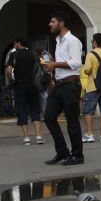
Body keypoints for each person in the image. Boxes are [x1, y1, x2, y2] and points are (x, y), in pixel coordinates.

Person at [43, 11, 84, 165]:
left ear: (61, 23)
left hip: (71, 84)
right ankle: (62, 152)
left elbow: (76, 63)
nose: (50, 24)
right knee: (49, 117)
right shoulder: (58, 41)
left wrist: (55, 64)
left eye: (53, 21)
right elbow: (63, 62)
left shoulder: (72, 41)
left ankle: (77, 155)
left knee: (72, 121)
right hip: (59, 84)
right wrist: (52, 65)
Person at [6, 37, 44, 145]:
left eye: (15, 43)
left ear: (18, 43)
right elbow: (41, 66)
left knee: (22, 111)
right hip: (33, 86)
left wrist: (11, 80)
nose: (14, 45)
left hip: (20, 86)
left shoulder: (14, 55)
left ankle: (26, 138)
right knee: (35, 110)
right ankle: (38, 137)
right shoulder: (33, 53)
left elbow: (9, 71)